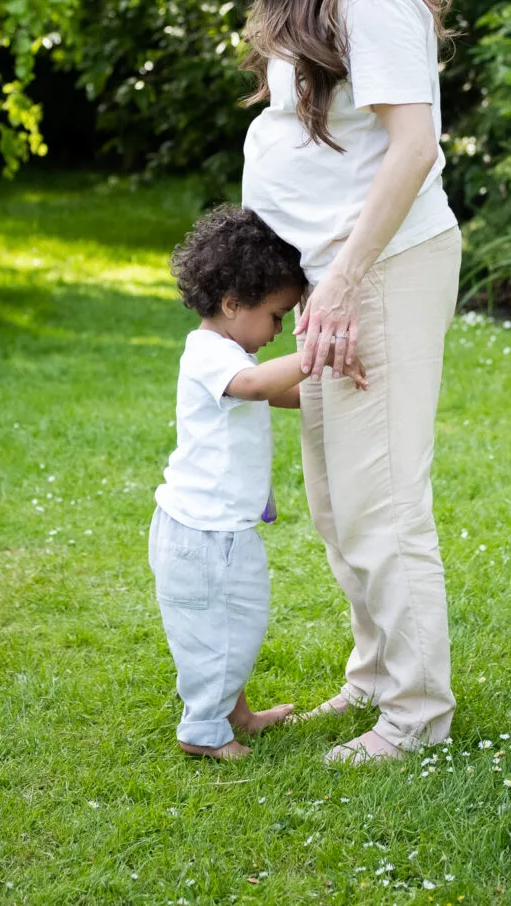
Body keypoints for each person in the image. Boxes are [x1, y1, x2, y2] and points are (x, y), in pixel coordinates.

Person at [188, 0, 462, 764]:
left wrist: (342, 281)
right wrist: (317, 279)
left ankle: (417, 714)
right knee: (337, 498)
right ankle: (377, 674)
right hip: (332, 274)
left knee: (381, 497)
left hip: (378, 267)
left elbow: (414, 148)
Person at [150, 204, 366, 761]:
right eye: (277, 317)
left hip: (221, 530)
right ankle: (203, 730)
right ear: (230, 304)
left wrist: (332, 383)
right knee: (216, 635)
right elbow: (253, 385)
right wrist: (314, 349)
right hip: (202, 536)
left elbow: (283, 392)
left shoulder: (233, 354)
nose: (280, 330)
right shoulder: (211, 356)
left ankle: (236, 713)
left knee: (234, 629)